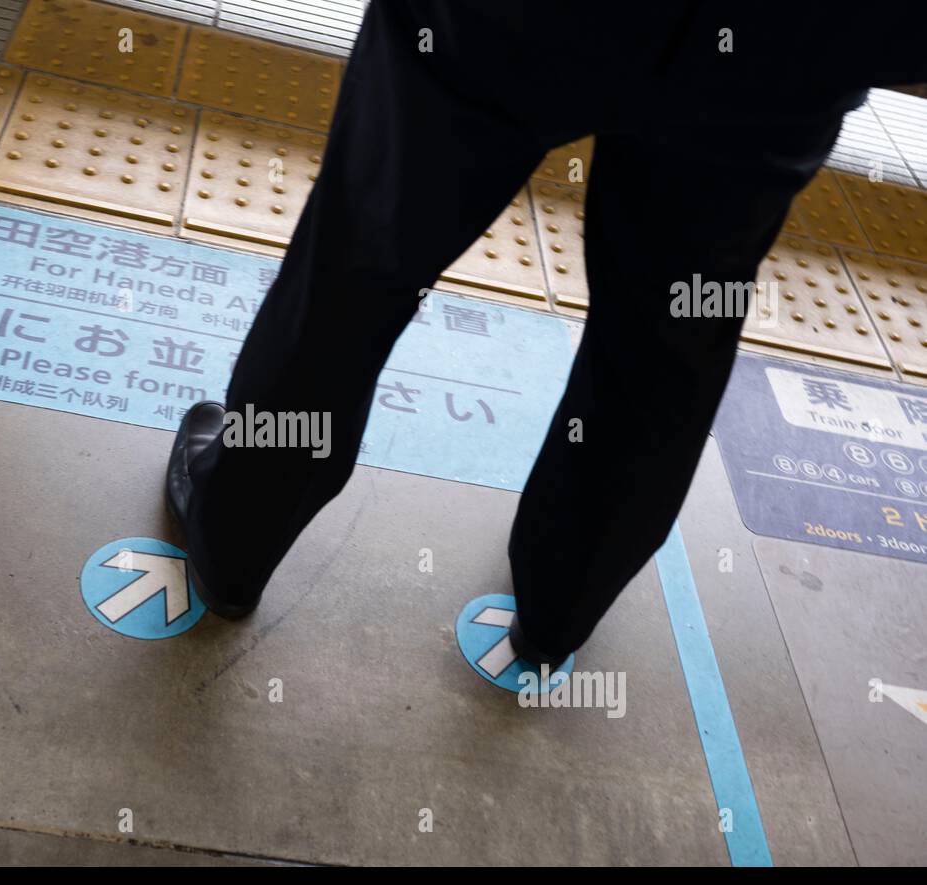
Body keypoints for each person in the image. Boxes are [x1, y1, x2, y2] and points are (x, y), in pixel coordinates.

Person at [165, 1, 926, 666]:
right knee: (669, 331)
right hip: (790, 39)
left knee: (360, 262)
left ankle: (235, 542)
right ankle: (562, 601)